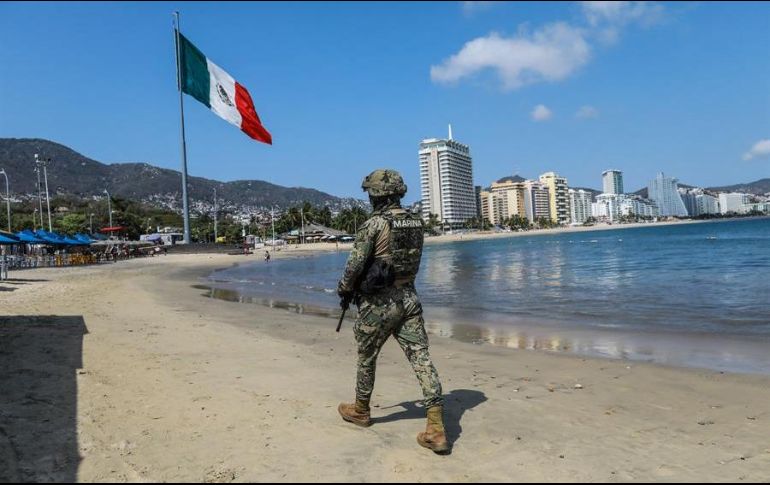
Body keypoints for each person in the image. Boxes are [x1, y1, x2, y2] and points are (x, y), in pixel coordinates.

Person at [336, 169, 448, 454]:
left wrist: (344, 289)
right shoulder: (415, 221)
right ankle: (435, 427)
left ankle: (361, 410)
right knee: (421, 358)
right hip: (409, 298)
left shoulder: (373, 224)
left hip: (378, 304)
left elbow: (354, 266)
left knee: (367, 357)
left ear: (375, 195)